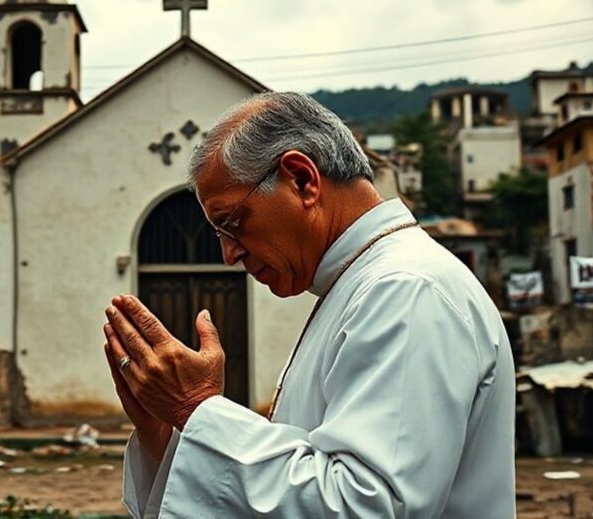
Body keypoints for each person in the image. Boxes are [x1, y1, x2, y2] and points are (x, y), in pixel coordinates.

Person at [102, 92, 515, 517]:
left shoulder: (405, 289)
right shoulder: (358, 283)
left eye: (231, 224)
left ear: (301, 180)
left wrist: (197, 410)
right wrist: (168, 434)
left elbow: (367, 505)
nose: (229, 255)